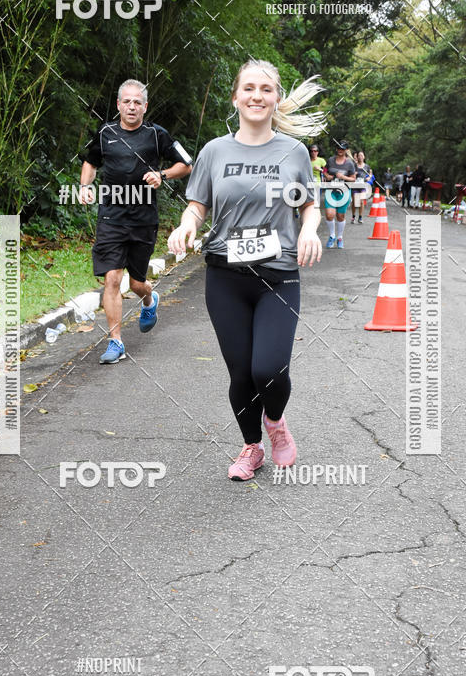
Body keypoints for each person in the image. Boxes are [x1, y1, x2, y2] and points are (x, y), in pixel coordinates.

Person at [168, 59, 323, 481]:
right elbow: (197, 204)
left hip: (278, 275)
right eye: (249, 88)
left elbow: (309, 205)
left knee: (268, 368)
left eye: (266, 89)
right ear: (236, 96)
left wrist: (310, 230)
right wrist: (186, 225)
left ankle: (275, 421)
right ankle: (252, 447)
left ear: (276, 98)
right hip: (226, 278)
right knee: (240, 371)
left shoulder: (293, 152)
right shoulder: (214, 151)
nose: (257, 96)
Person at [79, 79, 192, 363]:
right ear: (118, 105)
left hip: (143, 219)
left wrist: (161, 175)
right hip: (111, 218)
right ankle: (115, 341)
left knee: (137, 282)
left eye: (137, 102)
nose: (131, 106)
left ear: (145, 106)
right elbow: (90, 162)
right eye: (126, 101)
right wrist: (84, 186)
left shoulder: (156, 135)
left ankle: (149, 299)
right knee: (113, 279)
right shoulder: (105, 132)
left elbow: (186, 164)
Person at [323, 141, 356, 247]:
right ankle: (332, 236)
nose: (340, 150)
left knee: (340, 216)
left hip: (344, 192)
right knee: (329, 214)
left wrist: (343, 177)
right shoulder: (331, 160)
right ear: (336, 149)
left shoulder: (349, 163)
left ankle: (340, 237)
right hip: (330, 191)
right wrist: (327, 176)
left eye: (342, 149)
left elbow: (353, 179)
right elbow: (325, 170)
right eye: (339, 148)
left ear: (346, 150)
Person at [352, 149, 373, 224]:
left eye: (361, 155)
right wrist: (354, 173)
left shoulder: (367, 166)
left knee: (361, 202)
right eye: (359, 156)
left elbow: (370, 173)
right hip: (355, 185)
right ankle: (353, 216)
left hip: (363, 185)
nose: (360, 157)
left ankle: (360, 217)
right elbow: (350, 173)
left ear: (364, 157)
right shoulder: (354, 165)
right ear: (357, 157)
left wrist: (369, 177)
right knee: (355, 202)